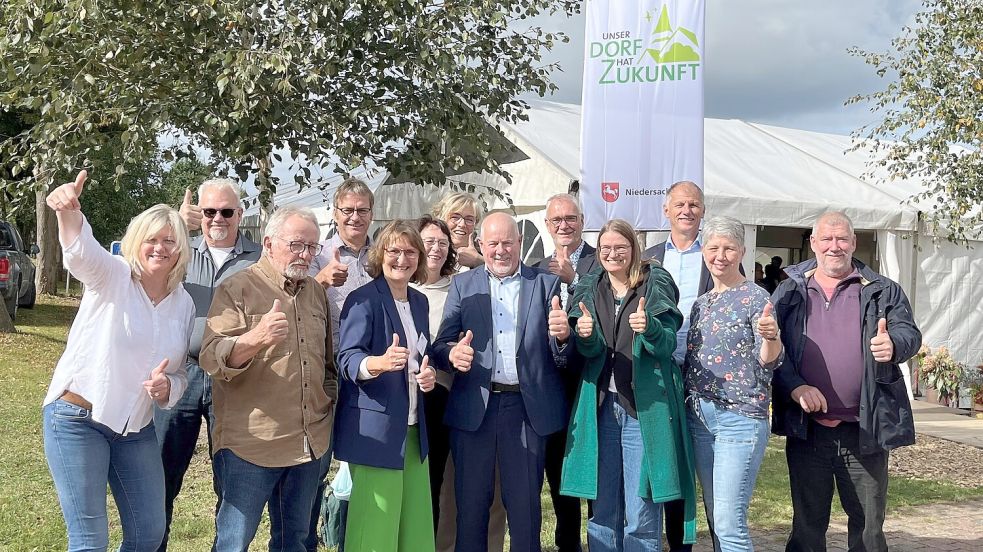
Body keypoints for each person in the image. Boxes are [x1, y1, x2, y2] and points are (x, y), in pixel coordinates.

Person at [42, 170, 194, 551]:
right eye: (151, 240)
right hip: (78, 420)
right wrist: (68, 212)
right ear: (136, 243)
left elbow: (179, 373)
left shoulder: (184, 303)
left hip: (136, 429)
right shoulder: (113, 276)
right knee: (90, 540)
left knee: (148, 533)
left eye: (169, 241)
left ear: (180, 250)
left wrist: (167, 387)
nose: (159, 248)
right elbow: (81, 254)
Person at [771, 211, 921, 552]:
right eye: (826, 238)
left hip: (864, 429)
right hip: (808, 430)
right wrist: (795, 386)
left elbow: (908, 332)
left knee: (868, 530)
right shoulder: (790, 290)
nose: (834, 246)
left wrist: (894, 343)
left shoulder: (883, 290)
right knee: (807, 528)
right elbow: (772, 350)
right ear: (813, 243)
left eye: (841, 239)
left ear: (853, 243)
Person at [200, 206, 337, 551]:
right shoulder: (237, 288)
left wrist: (326, 407)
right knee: (234, 542)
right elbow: (211, 357)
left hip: (309, 443)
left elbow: (327, 363)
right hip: (252, 445)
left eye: (312, 247)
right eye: (296, 245)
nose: (305, 255)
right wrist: (256, 339)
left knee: (296, 540)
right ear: (269, 243)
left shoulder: (315, 292)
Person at [433, 212, 572, 552]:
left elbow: (562, 356)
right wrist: (451, 355)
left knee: (525, 511)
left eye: (507, 242)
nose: (500, 250)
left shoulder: (545, 284)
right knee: (471, 510)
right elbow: (440, 345)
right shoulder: (463, 286)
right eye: (492, 243)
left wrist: (563, 337)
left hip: (525, 411)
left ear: (520, 243)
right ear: (480, 245)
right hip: (474, 409)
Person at [563, 218, 695, 552]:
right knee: (604, 507)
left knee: (641, 510)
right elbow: (589, 351)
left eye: (620, 247)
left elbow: (665, 345)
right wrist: (586, 334)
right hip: (602, 408)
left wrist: (649, 326)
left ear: (633, 248)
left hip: (644, 409)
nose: (612, 253)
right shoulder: (591, 285)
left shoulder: (655, 281)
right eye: (605, 247)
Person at [156, 179, 261, 551]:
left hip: (233, 377)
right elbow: (139, 260)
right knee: (161, 477)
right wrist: (177, 228)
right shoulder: (177, 250)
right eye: (209, 211)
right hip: (179, 373)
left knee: (230, 481)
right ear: (198, 213)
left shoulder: (260, 258)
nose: (218, 218)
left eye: (226, 211)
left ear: (240, 214)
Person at [334, 220, 440, 552]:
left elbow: (422, 355)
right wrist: (377, 364)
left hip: (412, 430)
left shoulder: (419, 302)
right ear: (381, 255)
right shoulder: (362, 300)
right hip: (376, 430)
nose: (402, 259)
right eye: (394, 250)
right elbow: (346, 358)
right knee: (375, 530)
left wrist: (429, 374)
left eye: (410, 251)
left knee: (415, 526)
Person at [684, 216, 783, 552]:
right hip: (700, 419)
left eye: (728, 248)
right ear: (703, 251)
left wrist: (771, 337)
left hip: (739, 420)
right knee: (716, 518)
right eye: (713, 247)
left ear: (742, 251)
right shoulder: (701, 304)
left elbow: (768, 358)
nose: (720, 255)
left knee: (729, 523)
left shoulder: (756, 299)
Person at [413, 215, 507, 552]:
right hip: (402, 401)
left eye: (442, 242)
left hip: (447, 397)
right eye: (428, 241)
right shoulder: (395, 284)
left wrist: (453, 353)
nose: (435, 249)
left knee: (445, 485)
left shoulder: (459, 286)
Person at [641, 180, 713, 552]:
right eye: (680, 204)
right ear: (665, 211)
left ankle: (686, 544)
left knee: (696, 469)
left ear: (703, 211)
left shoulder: (716, 256)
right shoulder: (648, 259)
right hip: (659, 374)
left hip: (703, 376)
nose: (687, 210)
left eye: (694, 204)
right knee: (663, 461)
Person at [306, 177, 376, 550]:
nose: (354, 217)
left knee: (363, 462)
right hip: (325, 373)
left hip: (370, 373)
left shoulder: (383, 254)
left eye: (361, 210)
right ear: (335, 213)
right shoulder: (318, 253)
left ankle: (355, 537)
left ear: (372, 214)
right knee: (317, 461)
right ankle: (309, 536)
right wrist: (319, 280)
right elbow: (290, 300)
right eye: (347, 210)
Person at [535, 193, 598, 552]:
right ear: (547, 225)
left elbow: (605, 310)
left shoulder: (599, 260)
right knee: (558, 476)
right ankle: (567, 544)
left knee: (593, 476)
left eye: (570, 218)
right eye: (556, 220)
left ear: (581, 221)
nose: (563, 225)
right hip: (551, 388)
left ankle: (601, 541)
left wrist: (574, 280)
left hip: (590, 383)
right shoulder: (539, 265)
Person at [431, 192, 483, 270]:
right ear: (441, 220)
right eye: (455, 217)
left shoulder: (486, 253)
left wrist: (478, 261)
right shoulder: (429, 252)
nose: (462, 224)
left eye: (469, 219)